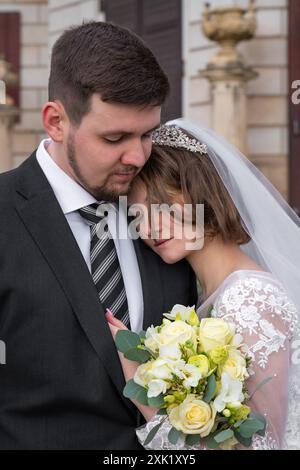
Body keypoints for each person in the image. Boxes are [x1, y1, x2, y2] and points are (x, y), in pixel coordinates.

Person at [0, 24, 198, 449]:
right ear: (55, 121)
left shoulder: (170, 213)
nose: (137, 156)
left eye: (147, 134)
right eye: (115, 138)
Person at [107, 119, 300, 450]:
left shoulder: (250, 298)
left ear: (201, 192)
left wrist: (139, 385)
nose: (149, 226)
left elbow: (262, 445)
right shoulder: (209, 295)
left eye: (162, 205)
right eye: (137, 215)